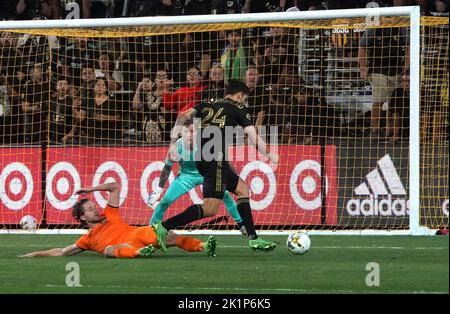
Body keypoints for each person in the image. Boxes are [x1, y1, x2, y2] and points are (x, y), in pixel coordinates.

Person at [152, 79, 279, 252]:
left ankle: (253, 238)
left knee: (242, 189)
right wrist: (270, 154)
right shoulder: (238, 108)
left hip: (202, 159)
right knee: (210, 209)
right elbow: (252, 136)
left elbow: (182, 116)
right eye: (244, 99)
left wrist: (173, 143)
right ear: (239, 95)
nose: (244, 102)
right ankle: (164, 226)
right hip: (215, 160)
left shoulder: (206, 105)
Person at [18, 181, 217, 258]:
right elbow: (62, 252)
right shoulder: (87, 239)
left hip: (136, 234)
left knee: (170, 236)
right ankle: (139, 252)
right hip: (125, 245)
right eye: (90, 209)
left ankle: (204, 247)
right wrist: (34, 254)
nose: (95, 210)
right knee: (108, 250)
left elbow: (114, 186)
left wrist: (91, 189)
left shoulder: (109, 214)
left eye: (94, 207)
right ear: (82, 217)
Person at [148, 118, 246, 235]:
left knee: (225, 195)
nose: (189, 135)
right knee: (165, 201)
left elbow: (225, 162)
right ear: (180, 133)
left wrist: (236, 178)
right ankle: (150, 231)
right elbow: (167, 168)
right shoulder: (176, 147)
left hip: (206, 174)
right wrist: (158, 190)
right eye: (186, 132)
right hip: (186, 177)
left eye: (193, 132)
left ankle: (242, 225)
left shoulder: (207, 144)